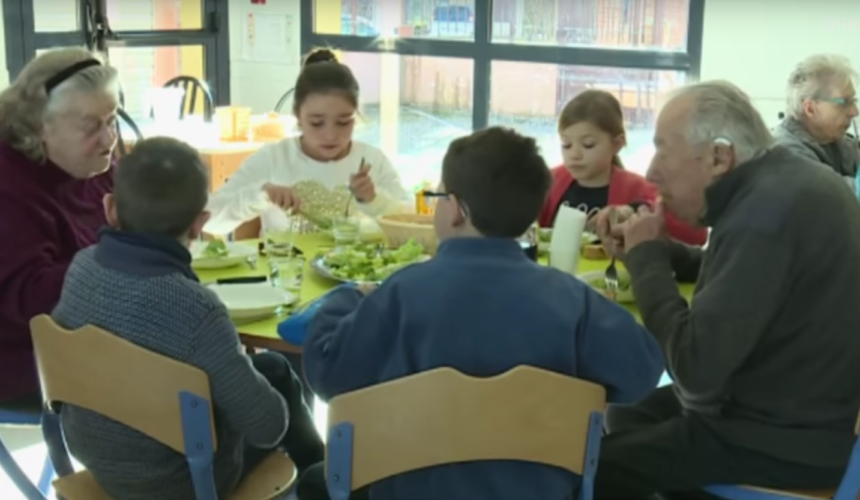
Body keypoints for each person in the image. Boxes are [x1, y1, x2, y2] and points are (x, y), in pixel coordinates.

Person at [298, 127, 665, 500]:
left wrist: (346, 298)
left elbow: (329, 376)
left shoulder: (402, 293)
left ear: (456, 209)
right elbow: (642, 375)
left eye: (439, 197)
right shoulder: (573, 299)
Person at [592, 80, 860, 499]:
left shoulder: (766, 213)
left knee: (586, 468)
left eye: (664, 149)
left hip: (777, 441)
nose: (651, 172)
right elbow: (749, 281)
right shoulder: (790, 183)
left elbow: (694, 371)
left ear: (719, 156)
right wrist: (660, 250)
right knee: (627, 413)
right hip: (799, 413)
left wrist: (647, 262)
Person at [52, 137, 324, 500]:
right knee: (277, 387)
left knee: (272, 368)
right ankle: (325, 481)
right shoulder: (196, 309)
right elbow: (268, 428)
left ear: (111, 208)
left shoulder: (81, 268)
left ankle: (322, 474)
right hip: (186, 481)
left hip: (99, 460)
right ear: (200, 225)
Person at [0, 48, 118, 409]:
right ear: (38, 126)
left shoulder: (94, 166)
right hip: (26, 357)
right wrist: (123, 254)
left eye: (112, 120)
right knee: (194, 385)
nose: (109, 140)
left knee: (229, 371)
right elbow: (30, 300)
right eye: (90, 127)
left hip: (100, 337)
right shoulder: (9, 184)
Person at [204, 49, 409, 236]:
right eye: (317, 123)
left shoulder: (371, 160)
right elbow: (207, 220)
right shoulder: (274, 158)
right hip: (286, 275)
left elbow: (410, 222)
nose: (330, 135)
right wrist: (260, 194)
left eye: (343, 122)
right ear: (298, 117)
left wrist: (373, 200)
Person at [538, 90, 707, 246]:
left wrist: (634, 211)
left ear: (617, 144)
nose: (574, 154)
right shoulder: (549, 181)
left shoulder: (639, 189)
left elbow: (697, 234)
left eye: (588, 145)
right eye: (566, 145)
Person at [774, 54, 860, 184]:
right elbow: (835, 193)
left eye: (853, 101)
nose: (855, 112)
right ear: (810, 109)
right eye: (844, 103)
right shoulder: (786, 154)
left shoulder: (833, 140)